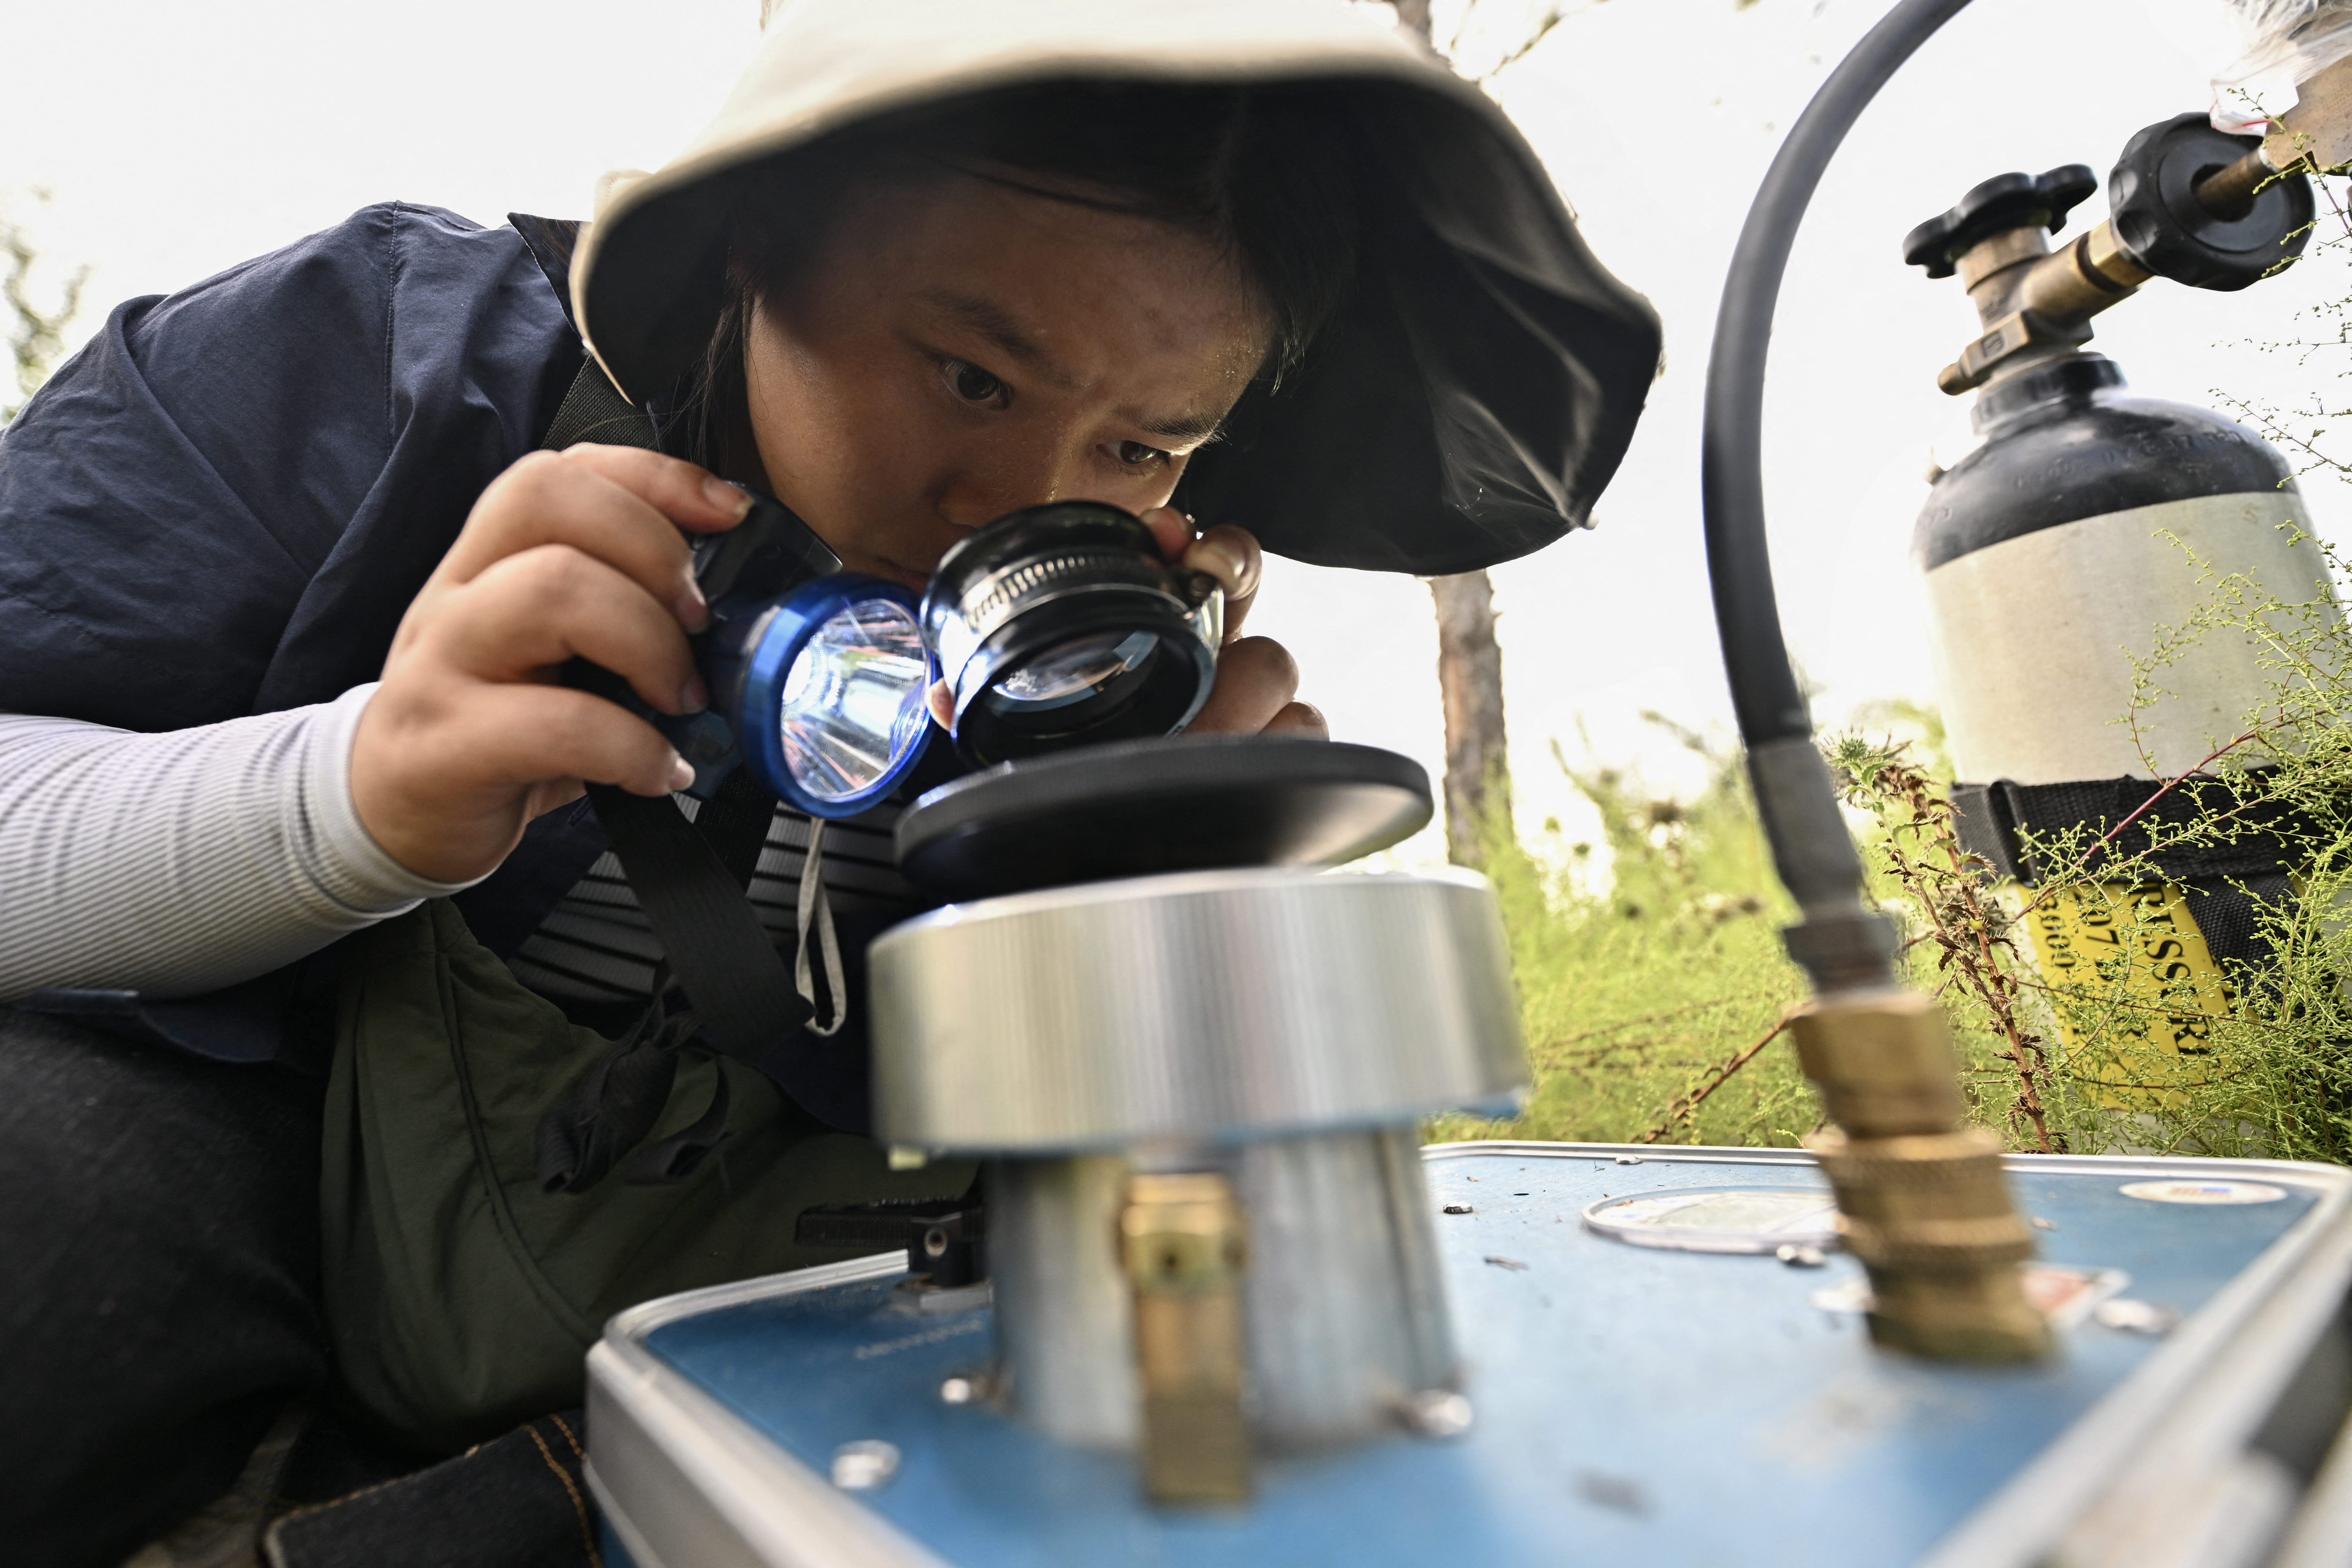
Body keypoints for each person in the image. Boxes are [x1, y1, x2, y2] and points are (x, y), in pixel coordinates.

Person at [0, 1, 1660, 1562]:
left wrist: (1158, 921)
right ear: (747, 243)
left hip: (787, 1322)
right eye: (969, 375)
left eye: (1142, 442)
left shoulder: (1130, 625)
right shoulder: (383, 370)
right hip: (269, 1221)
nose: (1011, 505)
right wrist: (353, 795)